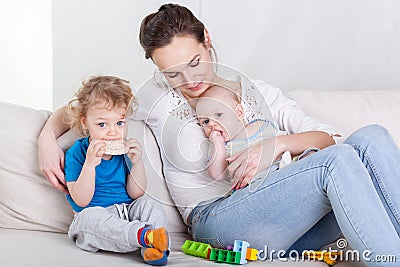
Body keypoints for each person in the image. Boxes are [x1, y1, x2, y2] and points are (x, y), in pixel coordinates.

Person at [38, 4, 400, 266]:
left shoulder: (259, 93)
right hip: (220, 221)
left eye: (194, 63)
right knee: (333, 164)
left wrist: (277, 144)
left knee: (371, 138)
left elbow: (329, 138)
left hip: (290, 219)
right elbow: (92, 107)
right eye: (173, 73)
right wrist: (46, 139)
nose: (189, 81)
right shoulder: (158, 101)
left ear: (206, 39)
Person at [63, 75, 169, 266]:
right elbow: (81, 200)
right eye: (102, 124)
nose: (113, 132)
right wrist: (89, 165)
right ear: (85, 122)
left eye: (119, 123)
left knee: (149, 203)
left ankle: (155, 249)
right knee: (89, 218)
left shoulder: (125, 151)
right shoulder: (76, 153)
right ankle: (143, 235)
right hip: (94, 216)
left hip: (126, 211)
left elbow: (136, 193)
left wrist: (137, 163)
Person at [196, 84, 299, 189]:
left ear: (239, 112)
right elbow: (217, 175)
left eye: (218, 115)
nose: (211, 124)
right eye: (205, 121)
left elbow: (286, 143)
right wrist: (218, 145)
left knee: (309, 154)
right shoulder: (220, 148)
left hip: (285, 169)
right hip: (256, 187)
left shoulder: (261, 125)